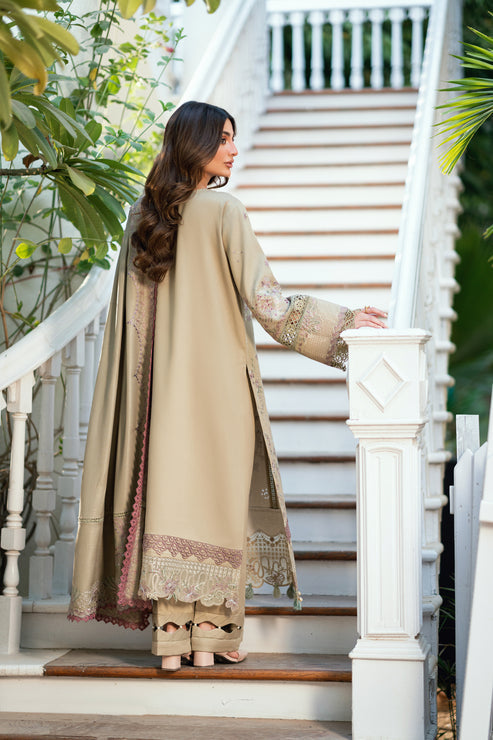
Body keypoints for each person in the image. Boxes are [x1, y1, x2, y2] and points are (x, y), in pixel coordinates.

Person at [68, 101, 387, 671]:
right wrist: (344, 324)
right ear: (194, 144)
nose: (233, 150)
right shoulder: (225, 211)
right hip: (218, 393)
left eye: (233, 139)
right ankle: (211, 639)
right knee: (216, 509)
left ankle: (171, 644)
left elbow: (130, 324)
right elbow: (269, 305)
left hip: (157, 397)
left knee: (172, 503)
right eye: (222, 139)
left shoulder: (143, 217)